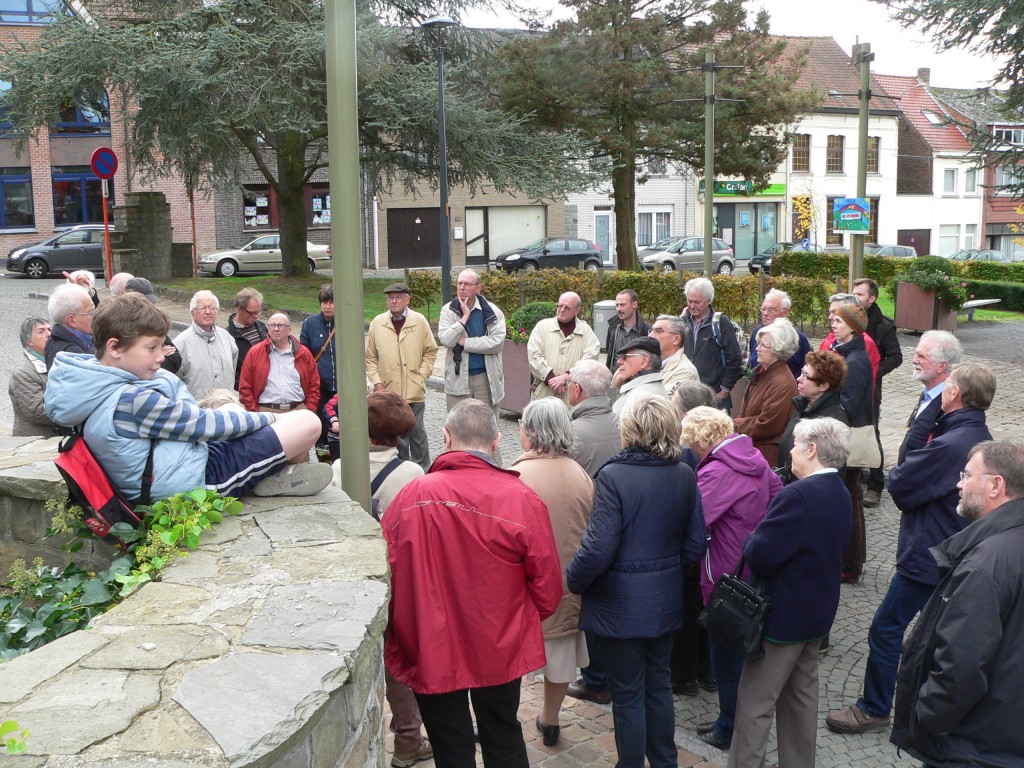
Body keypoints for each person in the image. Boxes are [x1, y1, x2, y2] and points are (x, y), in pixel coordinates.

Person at [383, 399, 562, 768]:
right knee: (502, 730)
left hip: (432, 641)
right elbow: (547, 586)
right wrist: (516, 622)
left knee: (450, 744)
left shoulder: (411, 497)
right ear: (497, 442)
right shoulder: (522, 499)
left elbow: (388, 575)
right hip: (497, 639)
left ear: (446, 437)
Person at [827, 363, 995, 736]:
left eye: (947, 387)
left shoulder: (950, 443)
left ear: (954, 393)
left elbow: (900, 483)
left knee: (887, 628)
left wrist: (925, 418)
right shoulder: (975, 434)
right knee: (933, 633)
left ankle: (874, 708)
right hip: (948, 548)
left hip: (929, 554)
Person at [44, 293, 332, 503]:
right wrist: (275, 418)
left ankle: (271, 475)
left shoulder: (94, 384)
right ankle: (270, 477)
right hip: (200, 478)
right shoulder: (131, 400)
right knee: (307, 423)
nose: (161, 357)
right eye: (152, 348)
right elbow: (206, 426)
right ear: (115, 347)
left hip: (184, 460)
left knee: (230, 406)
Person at [567, 396, 706, 768]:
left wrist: (574, 579)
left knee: (628, 692)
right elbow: (695, 545)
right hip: (663, 599)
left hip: (619, 604)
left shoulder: (614, 475)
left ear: (630, 431)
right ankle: (665, 762)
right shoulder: (684, 474)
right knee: (657, 685)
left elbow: (598, 548)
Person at [728, 418, 853, 768]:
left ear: (812, 450)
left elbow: (760, 554)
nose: (791, 451)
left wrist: (752, 538)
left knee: (755, 705)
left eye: (796, 444)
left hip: (781, 621)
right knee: (801, 703)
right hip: (815, 618)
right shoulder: (839, 491)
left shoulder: (798, 494)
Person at [891, 441, 1024, 767]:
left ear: (996, 485)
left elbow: (960, 666)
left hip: (971, 747)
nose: (959, 484)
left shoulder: (985, 563)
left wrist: (926, 717)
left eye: (967, 475)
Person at [680, 406, 782, 751]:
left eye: (693, 447)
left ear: (701, 441)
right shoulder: (751, 456)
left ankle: (728, 728)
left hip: (723, 576)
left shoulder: (717, 472)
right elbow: (776, 496)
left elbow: (695, 521)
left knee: (725, 655)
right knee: (736, 652)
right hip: (750, 568)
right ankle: (732, 720)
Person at [339, 390, 431, 768]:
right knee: (400, 658)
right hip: (398, 583)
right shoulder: (413, 475)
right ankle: (408, 739)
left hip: (351, 580)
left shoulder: (340, 467)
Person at [512, 399, 594, 747]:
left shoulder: (518, 473)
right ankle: (550, 718)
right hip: (568, 584)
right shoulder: (580, 473)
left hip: (525, 586)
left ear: (530, 432)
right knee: (561, 654)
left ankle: (505, 718)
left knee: (511, 657)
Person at [365, 283, 438, 472]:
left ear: (407, 299)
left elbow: (430, 351)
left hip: (414, 390)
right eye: (390, 298)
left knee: (418, 434)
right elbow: (370, 357)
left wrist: (421, 375)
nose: (394, 301)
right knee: (397, 437)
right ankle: (401, 471)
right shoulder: (378, 323)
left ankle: (424, 471)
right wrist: (378, 383)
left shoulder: (419, 321)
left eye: (398, 297)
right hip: (389, 392)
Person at [830, 303, 874, 582]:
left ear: (853, 328)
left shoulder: (856, 361)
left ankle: (851, 564)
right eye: (833, 320)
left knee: (851, 499)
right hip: (844, 434)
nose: (833, 323)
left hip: (849, 438)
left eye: (839, 321)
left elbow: (849, 404)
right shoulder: (845, 352)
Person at [853, 278, 903, 507]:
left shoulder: (883, 325)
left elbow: (895, 357)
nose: (855, 297)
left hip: (871, 391)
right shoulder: (849, 319)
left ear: (872, 299)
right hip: (849, 388)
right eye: (853, 293)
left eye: (860, 294)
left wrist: (872, 372)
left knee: (871, 433)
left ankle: (875, 485)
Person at [437, 269, 505, 418]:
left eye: (467, 284)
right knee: (458, 429)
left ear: (478, 288)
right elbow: (446, 340)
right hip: (458, 378)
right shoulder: (448, 311)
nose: (462, 287)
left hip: (486, 379)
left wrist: (465, 343)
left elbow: (497, 342)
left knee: (486, 429)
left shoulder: (493, 312)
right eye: (459, 283)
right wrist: (464, 318)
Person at [732, 318, 798, 467]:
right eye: (758, 343)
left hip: (765, 458)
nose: (757, 348)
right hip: (752, 451)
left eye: (764, 345)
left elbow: (767, 424)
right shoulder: (762, 372)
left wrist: (734, 424)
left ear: (778, 350)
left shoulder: (782, 382)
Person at [777, 351, 849, 483]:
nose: (799, 378)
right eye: (802, 372)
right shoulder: (803, 406)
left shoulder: (832, 422)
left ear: (823, 386)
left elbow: (831, 473)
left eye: (806, 376)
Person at [899, 330, 961, 464]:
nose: (914, 360)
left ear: (941, 366)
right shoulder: (929, 392)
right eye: (916, 354)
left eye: (921, 356)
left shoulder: (948, 404)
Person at [238, 312, 320, 413]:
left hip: (298, 410)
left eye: (280, 325)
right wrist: (255, 411)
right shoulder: (254, 353)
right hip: (265, 411)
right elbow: (245, 386)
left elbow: (314, 385)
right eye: (272, 325)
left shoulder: (303, 353)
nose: (276, 329)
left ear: (289, 330)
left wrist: (309, 410)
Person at [681, 277, 742, 412]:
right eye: (689, 301)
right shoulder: (684, 321)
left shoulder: (721, 323)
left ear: (709, 300)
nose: (692, 306)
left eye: (697, 302)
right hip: (688, 396)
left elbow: (735, 358)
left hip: (713, 396)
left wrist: (724, 391)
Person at [527, 291, 600, 403]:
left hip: (573, 397)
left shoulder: (586, 332)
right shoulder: (542, 327)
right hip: (544, 393)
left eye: (567, 308)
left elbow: (590, 359)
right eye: (560, 306)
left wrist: (566, 377)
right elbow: (534, 355)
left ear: (577, 310)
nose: (561, 310)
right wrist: (551, 379)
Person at [175, 290, 238, 401]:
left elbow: (233, 367)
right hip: (198, 410)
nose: (208, 312)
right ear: (193, 313)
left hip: (227, 407)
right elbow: (175, 381)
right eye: (203, 308)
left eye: (212, 308)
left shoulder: (227, 337)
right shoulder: (181, 343)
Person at [566, 359, 620, 479]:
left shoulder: (569, 432)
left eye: (568, 382)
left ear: (577, 390)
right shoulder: (624, 424)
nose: (567, 386)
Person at [119, 277, 182, 374]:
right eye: (152, 348)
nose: (149, 307)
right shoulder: (118, 325)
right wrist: (161, 351)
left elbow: (175, 360)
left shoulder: (153, 322)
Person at [300, 284, 337, 444]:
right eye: (324, 302)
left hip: (342, 389)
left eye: (331, 302)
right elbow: (303, 356)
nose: (328, 306)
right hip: (319, 388)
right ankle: (325, 465)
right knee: (321, 432)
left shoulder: (347, 322)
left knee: (342, 431)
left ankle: (342, 464)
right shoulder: (310, 324)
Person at [747, 289, 810, 378]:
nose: (765, 313)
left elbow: (806, 370)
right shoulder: (757, 333)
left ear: (785, 312)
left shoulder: (796, 339)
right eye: (763, 309)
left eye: (770, 310)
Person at [10, 317, 54, 437]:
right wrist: (76, 411)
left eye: (50, 330)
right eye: (41, 331)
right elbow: (38, 410)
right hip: (35, 444)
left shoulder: (56, 361)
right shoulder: (23, 372)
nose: (49, 334)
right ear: (29, 341)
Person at [819, 292, 880, 381]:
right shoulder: (831, 339)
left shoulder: (865, 343)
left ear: (851, 314)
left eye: (834, 312)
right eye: (830, 312)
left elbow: (861, 383)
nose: (830, 317)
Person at [610, 336, 666, 416]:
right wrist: (615, 386)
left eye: (625, 357)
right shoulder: (645, 390)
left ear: (644, 361)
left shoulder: (641, 398)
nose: (619, 361)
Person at [44, 283, 95, 370]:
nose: (96, 315)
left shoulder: (61, 337)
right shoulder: (71, 355)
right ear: (72, 321)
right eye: (91, 312)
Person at [227, 287, 268, 389]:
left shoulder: (262, 327)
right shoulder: (228, 336)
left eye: (258, 312)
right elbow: (230, 372)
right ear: (239, 309)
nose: (256, 317)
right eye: (252, 313)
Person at [649, 314, 698, 393]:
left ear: (676, 339)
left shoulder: (685, 371)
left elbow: (662, 402)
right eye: (651, 330)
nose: (650, 335)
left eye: (658, 331)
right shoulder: (649, 363)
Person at [605, 289, 651, 370]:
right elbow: (609, 352)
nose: (618, 309)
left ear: (634, 304)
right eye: (617, 305)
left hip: (636, 380)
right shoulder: (613, 328)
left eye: (622, 305)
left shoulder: (647, 330)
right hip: (614, 379)